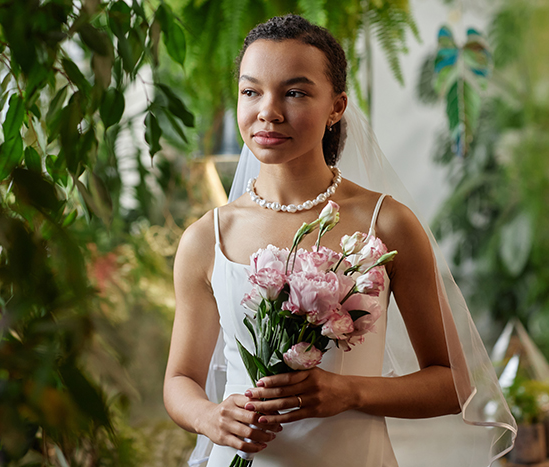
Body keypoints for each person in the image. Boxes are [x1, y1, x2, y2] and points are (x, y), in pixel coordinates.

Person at [164, 14, 515, 467]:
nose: (268, 110)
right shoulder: (206, 238)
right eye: (251, 91)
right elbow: (180, 380)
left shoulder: (386, 225)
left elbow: (454, 384)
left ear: (337, 106)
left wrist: (349, 391)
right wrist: (211, 417)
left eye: (295, 92)